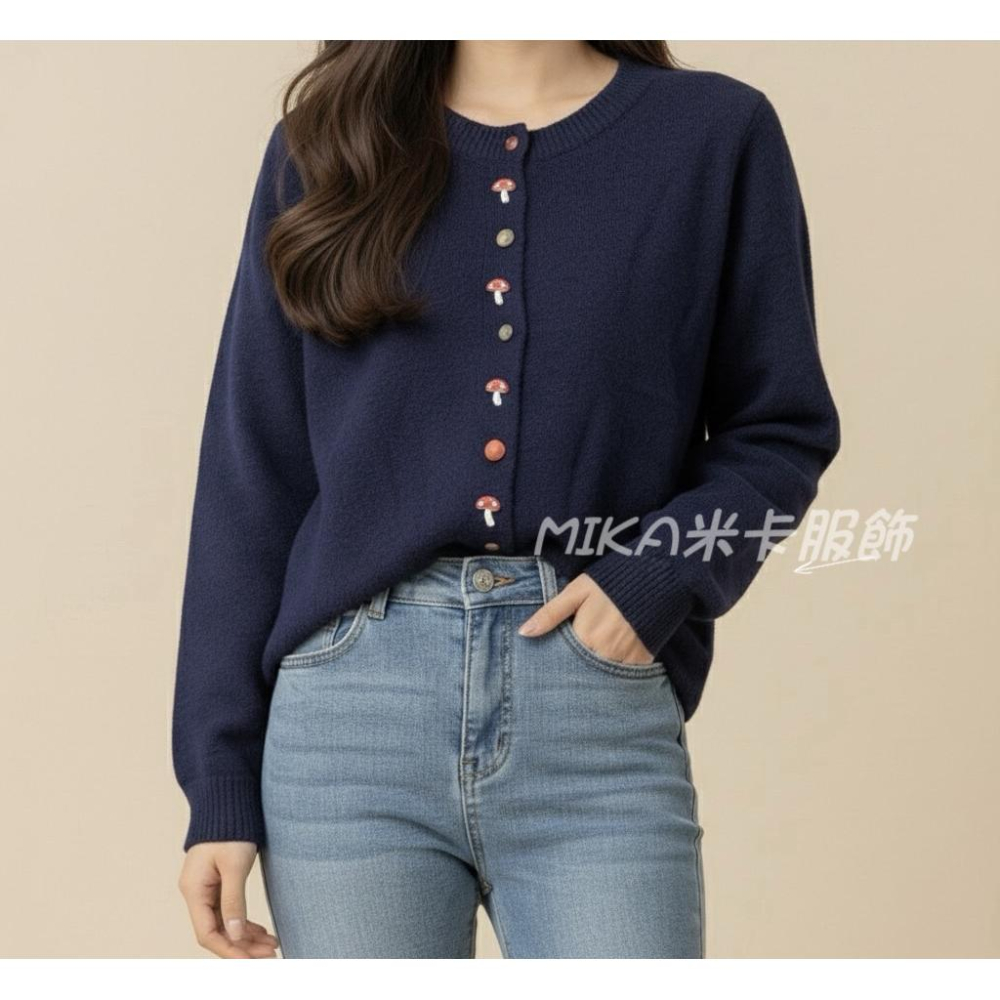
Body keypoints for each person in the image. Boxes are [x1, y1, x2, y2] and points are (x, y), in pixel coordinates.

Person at [172, 40, 840, 959]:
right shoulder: (322, 146)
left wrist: (654, 579)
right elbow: (252, 474)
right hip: (346, 729)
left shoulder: (714, 133)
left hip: (592, 716)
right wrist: (218, 781)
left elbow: (782, 429)